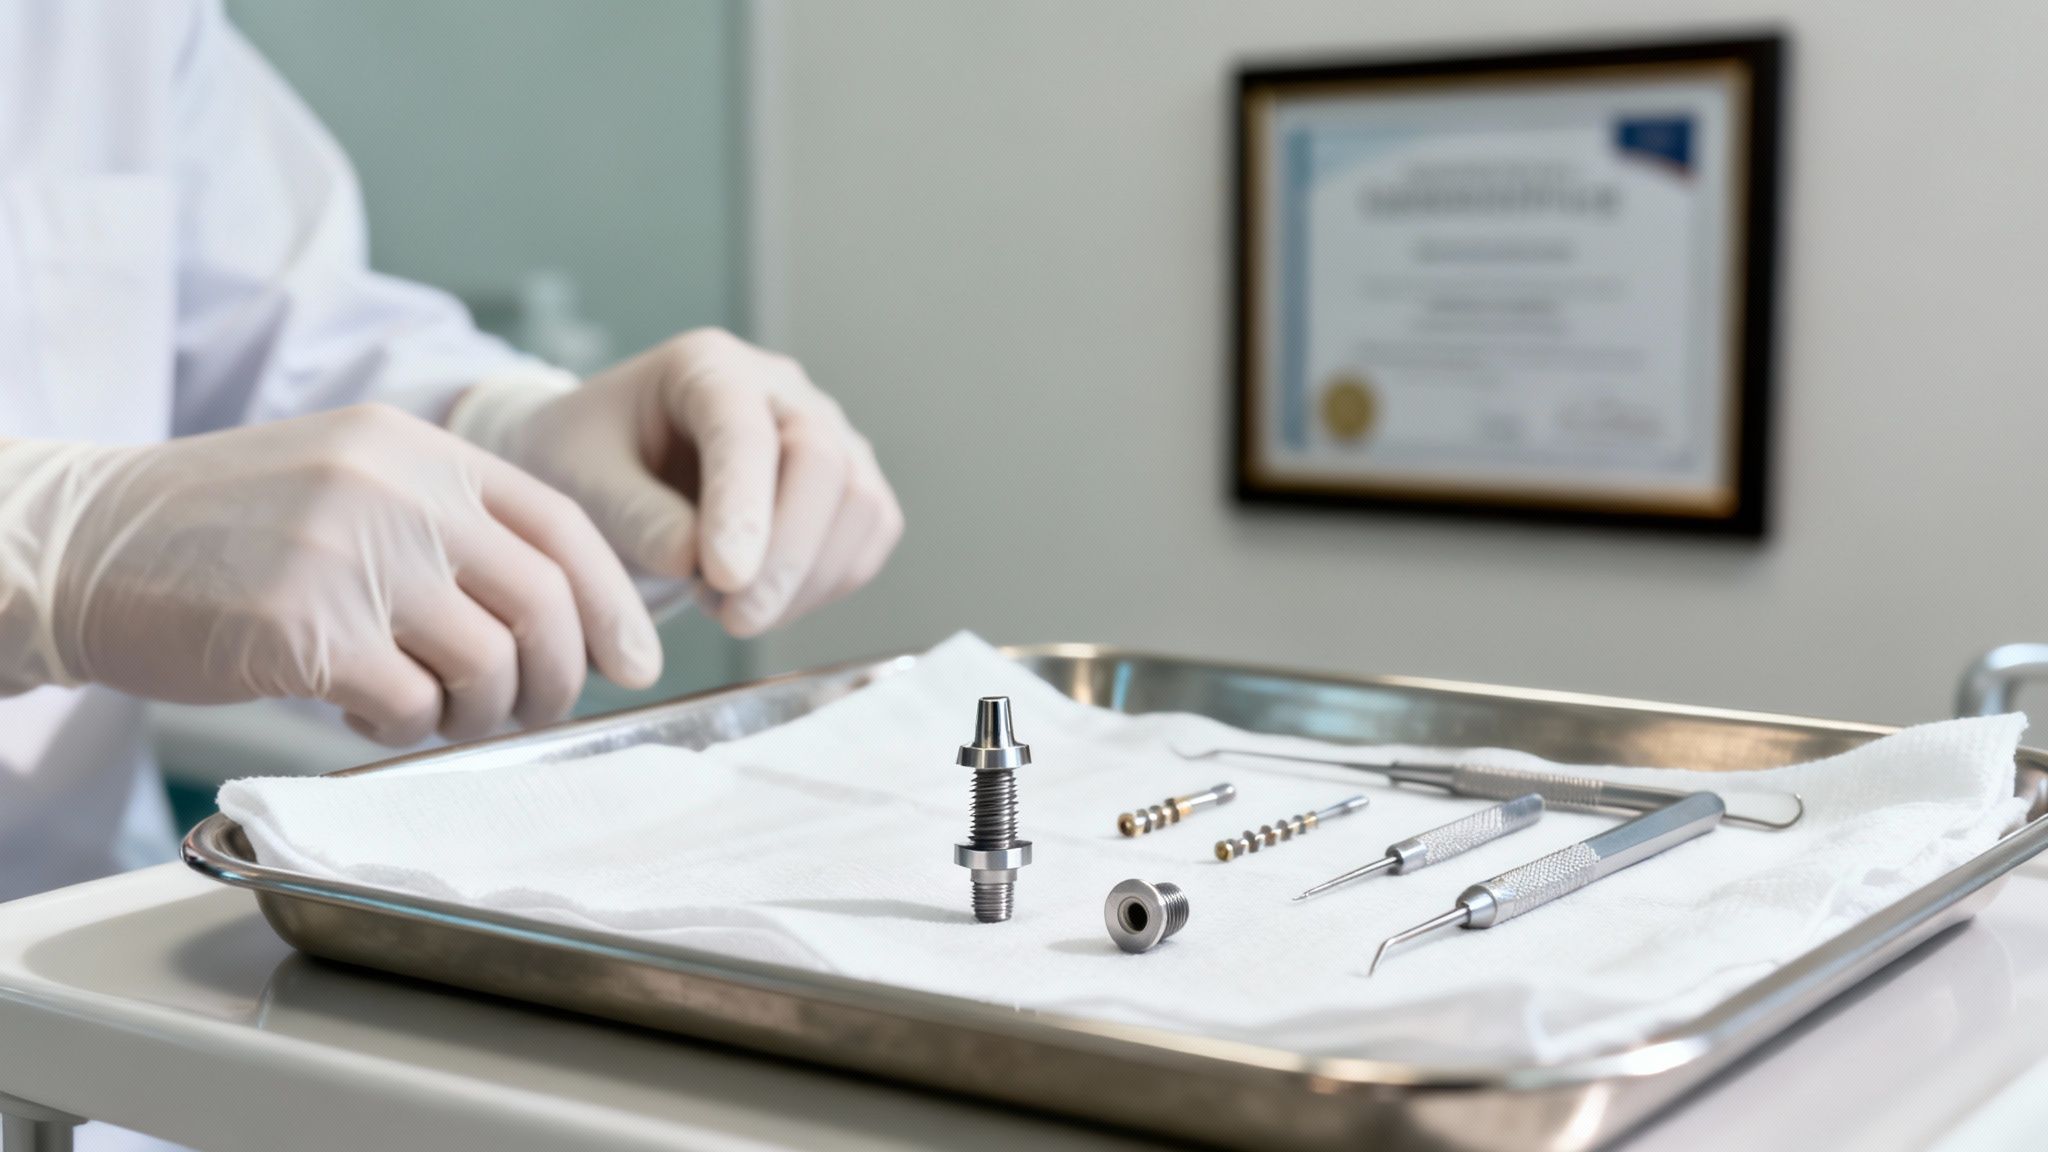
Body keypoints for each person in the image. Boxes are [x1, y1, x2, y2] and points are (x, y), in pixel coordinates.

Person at [0, 0, 904, 906]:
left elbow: (274, 345)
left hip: (61, 925)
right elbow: (118, 519)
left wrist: (505, 444)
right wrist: (49, 542)